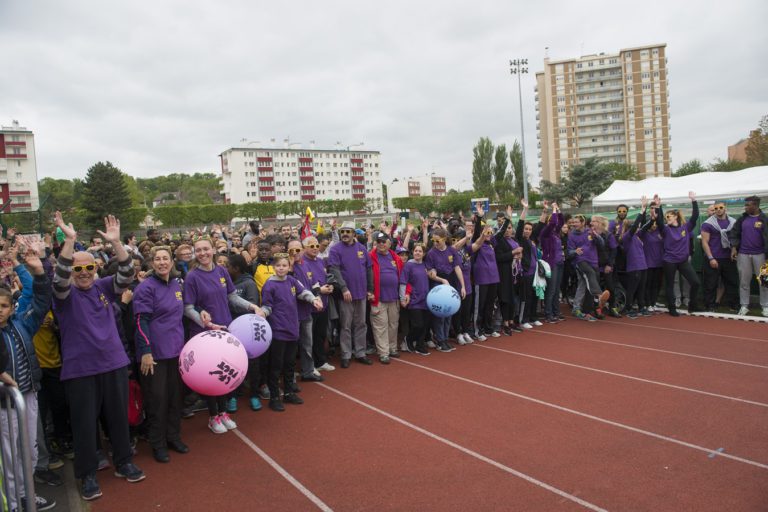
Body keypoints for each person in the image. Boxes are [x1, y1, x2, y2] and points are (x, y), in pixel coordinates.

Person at [51, 212, 145, 501]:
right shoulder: (63, 296)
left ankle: (124, 462)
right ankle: (88, 474)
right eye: (78, 268)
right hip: (81, 370)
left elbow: (127, 273)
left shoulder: (103, 286)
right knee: (84, 425)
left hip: (114, 364)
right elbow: (60, 277)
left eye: (89, 267)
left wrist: (117, 243)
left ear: (96, 268)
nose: (84, 272)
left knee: (118, 418)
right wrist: (69, 241)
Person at [182, 237, 264, 434]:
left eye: (206, 249)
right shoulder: (192, 277)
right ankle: (213, 416)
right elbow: (188, 308)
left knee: (225, 373)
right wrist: (206, 323)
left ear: (213, 250)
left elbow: (232, 297)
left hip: (225, 330)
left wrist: (252, 306)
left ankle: (223, 412)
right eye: (198, 250)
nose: (202, 253)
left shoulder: (221, 271)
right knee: (212, 375)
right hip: (205, 334)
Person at [1, 239, 56, 511]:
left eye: (3, 306)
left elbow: (41, 299)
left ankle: (26, 494)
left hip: (28, 393)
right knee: (9, 456)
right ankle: (12, 503)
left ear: (12, 308)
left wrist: (36, 271)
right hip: (5, 403)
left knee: (30, 449)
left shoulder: (23, 322)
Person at [133, 246, 188, 463]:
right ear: (152, 263)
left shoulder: (176, 284)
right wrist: (146, 351)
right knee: (157, 401)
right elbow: (140, 321)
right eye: (158, 259)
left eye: (166, 258)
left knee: (175, 398)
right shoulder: (145, 288)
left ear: (172, 262)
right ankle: (158, 443)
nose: (162, 262)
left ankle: (173, 436)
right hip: (154, 355)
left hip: (176, 351)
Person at [261, 253, 323, 411]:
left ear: (289, 267)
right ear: (273, 267)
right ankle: (275, 397)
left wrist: (314, 299)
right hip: (278, 331)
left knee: (289, 364)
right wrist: (262, 313)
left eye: (284, 265)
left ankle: (289, 392)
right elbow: (267, 306)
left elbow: (304, 292)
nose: (281, 268)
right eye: (278, 265)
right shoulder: (269, 285)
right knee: (276, 365)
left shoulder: (292, 280)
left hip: (292, 328)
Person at [327, 222, 373, 368]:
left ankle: (360, 353)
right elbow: (334, 270)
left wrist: (370, 289)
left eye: (348, 231)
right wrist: (344, 288)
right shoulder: (335, 249)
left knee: (361, 324)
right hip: (346, 294)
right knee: (346, 325)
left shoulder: (362, 248)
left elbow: (368, 269)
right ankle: (346, 354)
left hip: (361, 293)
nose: (345, 234)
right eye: (342, 231)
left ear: (354, 233)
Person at [655, 192, 701, 316]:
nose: (667, 219)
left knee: (696, 282)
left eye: (669, 216)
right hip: (669, 261)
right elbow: (659, 221)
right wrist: (658, 206)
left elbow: (695, 216)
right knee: (670, 284)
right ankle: (672, 308)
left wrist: (694, 200)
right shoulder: (665, 229)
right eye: (666, 217)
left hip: (683, 261)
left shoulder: (685, 228)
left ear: (675, 217)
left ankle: (692, 305)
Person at [295, 237, 335, 374]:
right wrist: (319, 290)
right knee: (308, 338)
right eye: (311, 246)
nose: (315, 248)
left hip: (323, 304)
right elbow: (303, 286)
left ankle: (320, 362)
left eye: (317, 246)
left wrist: (329, 287)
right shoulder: (301, 263)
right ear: (304, 247)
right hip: (309, 307)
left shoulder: (320, 261)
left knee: (320, 335)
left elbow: (323, 278)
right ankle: (309, 366)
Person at [425, 228, 466, 352]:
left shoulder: (451, 250)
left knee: (449, 313)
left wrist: (463, 286)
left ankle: (445, 339)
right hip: (438, 286)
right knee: (440, 315)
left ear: (444, 239)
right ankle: (440, 340)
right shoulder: (431, 253)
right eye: (433, 240)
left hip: (451, 282)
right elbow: (430, 272)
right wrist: (440, 279)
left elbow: (457, 268)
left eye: (437, 240)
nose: (435, 243)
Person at [728, 196, 768, 317]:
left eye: (747, 205)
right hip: (743, 254)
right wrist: (734, 247)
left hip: (761, 255)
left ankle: (765, 306)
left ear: (755, 205)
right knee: (744, 282)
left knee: (764, 281)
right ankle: (744, 306)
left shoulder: (764, 219)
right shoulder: (742, 219)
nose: (745, 207)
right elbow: (734, 233)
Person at [567, 215, 610, 321]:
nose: (574, 224)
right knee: (590, 275)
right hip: (580, 261)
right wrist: (575, 251)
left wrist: (596, 235)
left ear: (583, 223)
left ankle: (582, 308)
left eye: (576, 222)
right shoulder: (571, 235)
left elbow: (602, 244)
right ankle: (599, 295)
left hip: (593, 262)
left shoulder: (590, 232)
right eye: (573, 222)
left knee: (584, 284)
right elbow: (569, 251)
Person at [368, 233, 403, 364]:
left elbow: (403, 276)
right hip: (378, 299)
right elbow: (365, 275)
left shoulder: (395, 257)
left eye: (384, 242)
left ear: (389, 243)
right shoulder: (370, 256)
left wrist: (404, 294)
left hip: (394, 298)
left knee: (393, 325)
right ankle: (383, 353)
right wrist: (369, 291)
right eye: (379, 241)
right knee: (380, 326)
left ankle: (392, 348)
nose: (381, 244)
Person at [700, 200, 739, 312]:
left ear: (725, 207)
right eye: (716, 208)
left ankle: (734, 305)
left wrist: (734, 249)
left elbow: (735, 239)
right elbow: (704, 242)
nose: (718, 210)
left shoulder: (733, 222)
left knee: (732, 283)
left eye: (720, 207)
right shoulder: (707, 223)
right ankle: (710, 305)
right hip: (713, 258)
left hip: (729, 258)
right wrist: (711, 258)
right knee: (710, 284)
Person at [470, 204, 500, 339]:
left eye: (490, 232)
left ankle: (488, 328)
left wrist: (507, 219)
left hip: (494, 279)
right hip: (482, 280)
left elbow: (498, 233)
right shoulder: (477, 245)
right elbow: (477, 233)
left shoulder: (492, 244)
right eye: (486, 232)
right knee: (480, 306)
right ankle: (478, 330)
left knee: (490, 305)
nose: (488, 234)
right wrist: (480, 217)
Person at [495, 206, 524, 334]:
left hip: (515, 273)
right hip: (504, 273)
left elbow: (521, 227)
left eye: (510, 228)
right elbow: (499, 258)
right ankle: (505, 323)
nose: (508, 230)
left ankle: (512, 321)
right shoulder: (499, 241)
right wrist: (513, 253)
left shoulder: (514, 240)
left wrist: (519, 255)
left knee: (513, 298)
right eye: (506, 228)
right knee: (505, 298)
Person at [620, 197, 651, 317]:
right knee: (632, 288)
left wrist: (653, 217)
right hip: (634, 267)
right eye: (636, 226)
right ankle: (628, 308)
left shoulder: (638, 236)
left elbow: (646, 226)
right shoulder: (627, 237)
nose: (638, 227)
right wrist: (642, 210)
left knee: (642, 288)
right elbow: (636, 225)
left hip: (643, 266)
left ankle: (641, 307)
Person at [399, 244, 431, 355]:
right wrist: (402, 298)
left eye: (420, 251)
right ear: (413, 252)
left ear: (424, 254)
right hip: (414, 300)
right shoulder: (409, 265)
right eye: (416, 251)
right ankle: (408, 339)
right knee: (418, 324)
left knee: (424, 325)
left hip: (425, 300)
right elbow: (403, 282)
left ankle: (420, 345)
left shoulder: (425, 265)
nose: (417, 253)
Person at [540, 203, 565, 323]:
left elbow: (561, 221)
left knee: (556, 289)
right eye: (551, 220)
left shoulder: (556, 233)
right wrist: (553, 209)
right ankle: (548, 314)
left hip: (559, 263)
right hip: (551, 264)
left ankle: (556, 311)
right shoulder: (545, 233)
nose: (555, 223)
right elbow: (554, 222)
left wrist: (558, 210)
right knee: (551, 289)